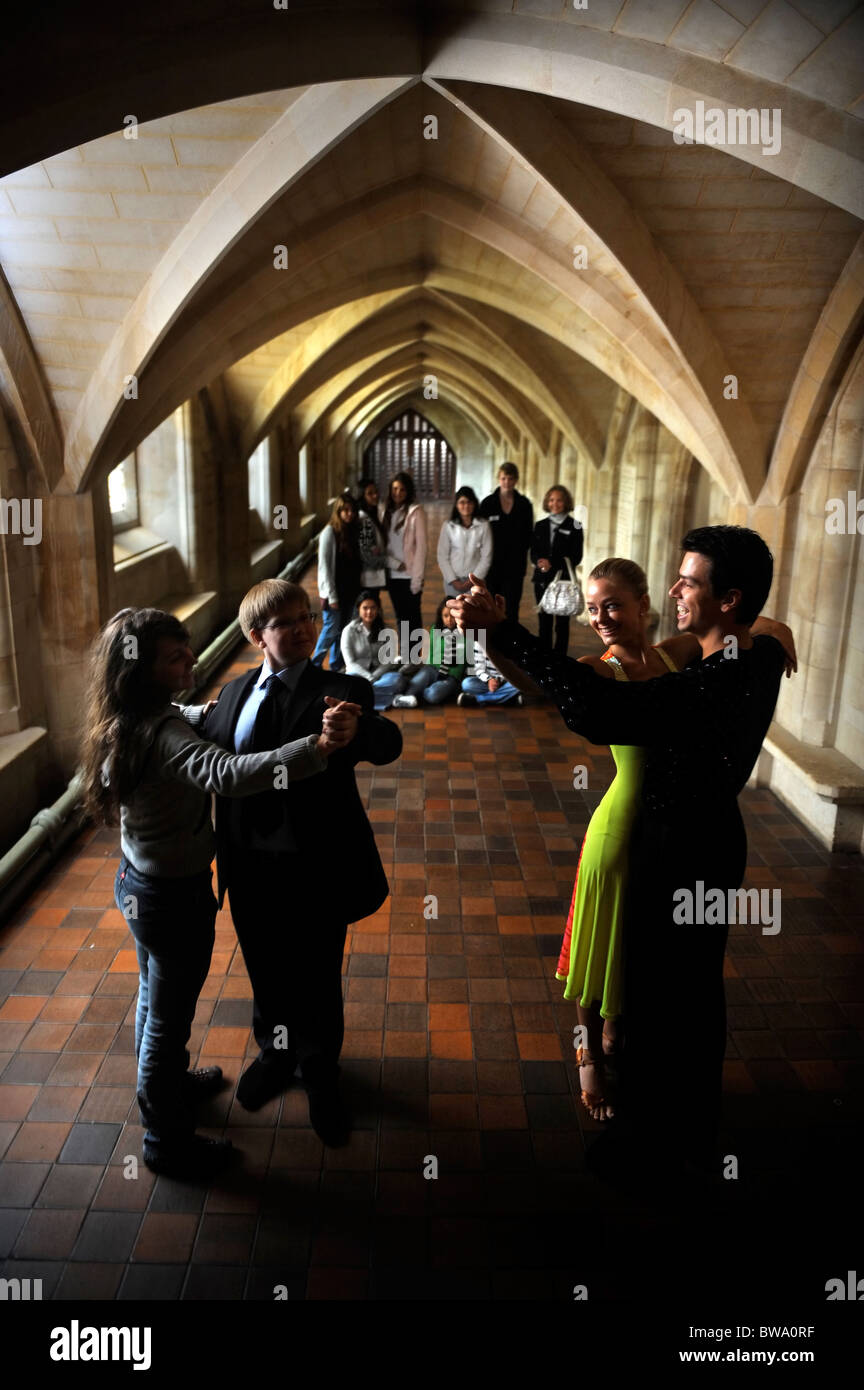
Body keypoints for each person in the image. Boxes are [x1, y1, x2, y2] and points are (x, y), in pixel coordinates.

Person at [452, 525, 790, 1172]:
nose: (675, 587)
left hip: (675, 849)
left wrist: (503, 628)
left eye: (688, 581)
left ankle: (652, 1142)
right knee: (684, 994)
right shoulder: (756, 657)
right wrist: (770, 624)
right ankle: (671, 1114)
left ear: (725, 598)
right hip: (710, 840)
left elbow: (602, 709)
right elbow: (552, 688)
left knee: (663, 1000)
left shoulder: (701, 677)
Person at [78, 607, 354, 1179]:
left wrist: (227, 707)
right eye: (176, 657)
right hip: (172, 898)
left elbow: (193, 715)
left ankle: (170, 1085)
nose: (191, 661)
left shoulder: (128, 716)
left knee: (152, 996)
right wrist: (316, 749)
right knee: (166, 1021)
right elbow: (225, 772)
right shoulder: (165, 735)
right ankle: (165, 1139)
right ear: (143, 669)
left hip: (138, 885)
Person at [202, 579, 402, 1144]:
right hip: (247, 866)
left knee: (316, 973)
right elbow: (205, 748)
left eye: (306, 617)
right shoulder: (235, 694)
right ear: (255, 636)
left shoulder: (339, 688)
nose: (301, 628)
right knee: (265, 967)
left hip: (313, 865)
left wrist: (359, 728)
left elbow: (389, 744)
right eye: (284, 622)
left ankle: (319, 1071)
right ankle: (276, 1053)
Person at [312, 493, 363, 671]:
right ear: (338, 511)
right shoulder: (329, 532)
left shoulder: (352, 531)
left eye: (352, 510)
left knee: (342, 629)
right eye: (345, 510)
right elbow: (324, 567)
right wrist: (332, 596)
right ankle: (314, 665)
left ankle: (336, 664)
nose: (349, 514)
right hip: (334, 591)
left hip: (350, 590)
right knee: (330, 629)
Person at [531, 485, 584, 656]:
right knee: (543, 622)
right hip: (542, 579)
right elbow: (533, 552)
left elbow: (576, 556)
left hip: (564, 581)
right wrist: (540, 563)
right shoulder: (540, 525)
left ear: (566, 502)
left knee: (562, 623)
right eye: (551, 500)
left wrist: (552, 563)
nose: (555, 503)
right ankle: (545, 657)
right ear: (547, 502)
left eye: (559, 500)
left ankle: (560, 658)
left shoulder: (575, 525)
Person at [388, 598, 469, 708]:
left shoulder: (466, 634)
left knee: (433, 695)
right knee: (414, 686)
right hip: (432, 669)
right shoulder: (435, 630)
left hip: (451, 675)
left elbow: (467, 661)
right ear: (440, 616)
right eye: (445, 616)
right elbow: (430, 656)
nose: (449, 619)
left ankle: (422, 695)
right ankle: (408, 698)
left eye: (452, 616)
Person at [479, 461, 534, 622]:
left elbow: (528, 534)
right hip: (492, 564)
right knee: (490, 604)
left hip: (515, 565)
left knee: (512, 606)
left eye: (510, 479)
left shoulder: (524, 504)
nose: (507, 482)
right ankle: (491, 643)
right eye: (503, 478)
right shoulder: (488, 503)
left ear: (516, 480)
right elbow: (480, 534)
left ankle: (510, 643)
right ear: (499, 479)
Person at [340, 589, 405, 710]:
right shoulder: (348, 631)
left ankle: (361, 701)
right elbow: (350, 663)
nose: (369, 612)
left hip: (381, 675)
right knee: (351, 683)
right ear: (358, 609)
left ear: (378, 609)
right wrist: (369, 678)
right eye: (365, 608)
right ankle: (391, 699)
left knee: (398, 680)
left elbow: (388, 661)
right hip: (357, 674)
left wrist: (374, 678)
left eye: (373, 608)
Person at [382, 471, 427, 641]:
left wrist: (417, 578)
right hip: (392, 574)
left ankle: (414, 658)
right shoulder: (385, 511)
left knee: (413, 617)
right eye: (395, 489)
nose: (397, 493)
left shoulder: (416, 512)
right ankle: (406, 655)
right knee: (401, 617)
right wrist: (392, 563)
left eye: (402, 490)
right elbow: (381, 546)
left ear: (408, 492)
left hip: (410, 575)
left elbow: (422, 548)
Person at [437, 486, 492, 598]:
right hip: (452, 580)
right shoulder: (448, 526)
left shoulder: (484, 526)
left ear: (474, 504)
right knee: (453, 612)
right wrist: (453, 580)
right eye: (462, 502)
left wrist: (473, 580)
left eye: (469, 502)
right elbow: (442, 556)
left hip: (475, 581)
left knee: (473, 612)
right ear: (456, 505)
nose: (466, 506)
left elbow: (486, 557)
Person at [458, 644, 523, 707]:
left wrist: (499, 680)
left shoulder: (510, 643)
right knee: (466, 684)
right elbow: (479, 669)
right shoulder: (479, 643)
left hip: (506, 681)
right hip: (486, 682)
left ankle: (478, 699)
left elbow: (513, 670)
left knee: (520, 682)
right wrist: (489, 680)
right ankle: (508, 699)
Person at [355, 476, 387, 601]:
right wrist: (394, 563)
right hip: (370, 577)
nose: (375, 496)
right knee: (403, 613)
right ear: (362, 496)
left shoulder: (373, 514)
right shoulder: (364, 518)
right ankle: (406, 623)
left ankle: (406, 622)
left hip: (383, 573)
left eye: (376, 492)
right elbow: (367, 553)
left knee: (404, 611)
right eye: (370, 493)